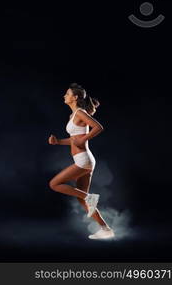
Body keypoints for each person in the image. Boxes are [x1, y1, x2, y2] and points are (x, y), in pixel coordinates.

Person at [48, 83, 115, 240]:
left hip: (83, 160)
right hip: (83, 159)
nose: (64, 96)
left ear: (75, 97)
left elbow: (98, 127)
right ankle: (106, 229)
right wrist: (58, 142)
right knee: (82, 199)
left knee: (54, 184)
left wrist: (84, 139)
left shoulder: (80, 112)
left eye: (67, 93)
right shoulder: (73, 115)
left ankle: (89, 196)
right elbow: (74, 140)